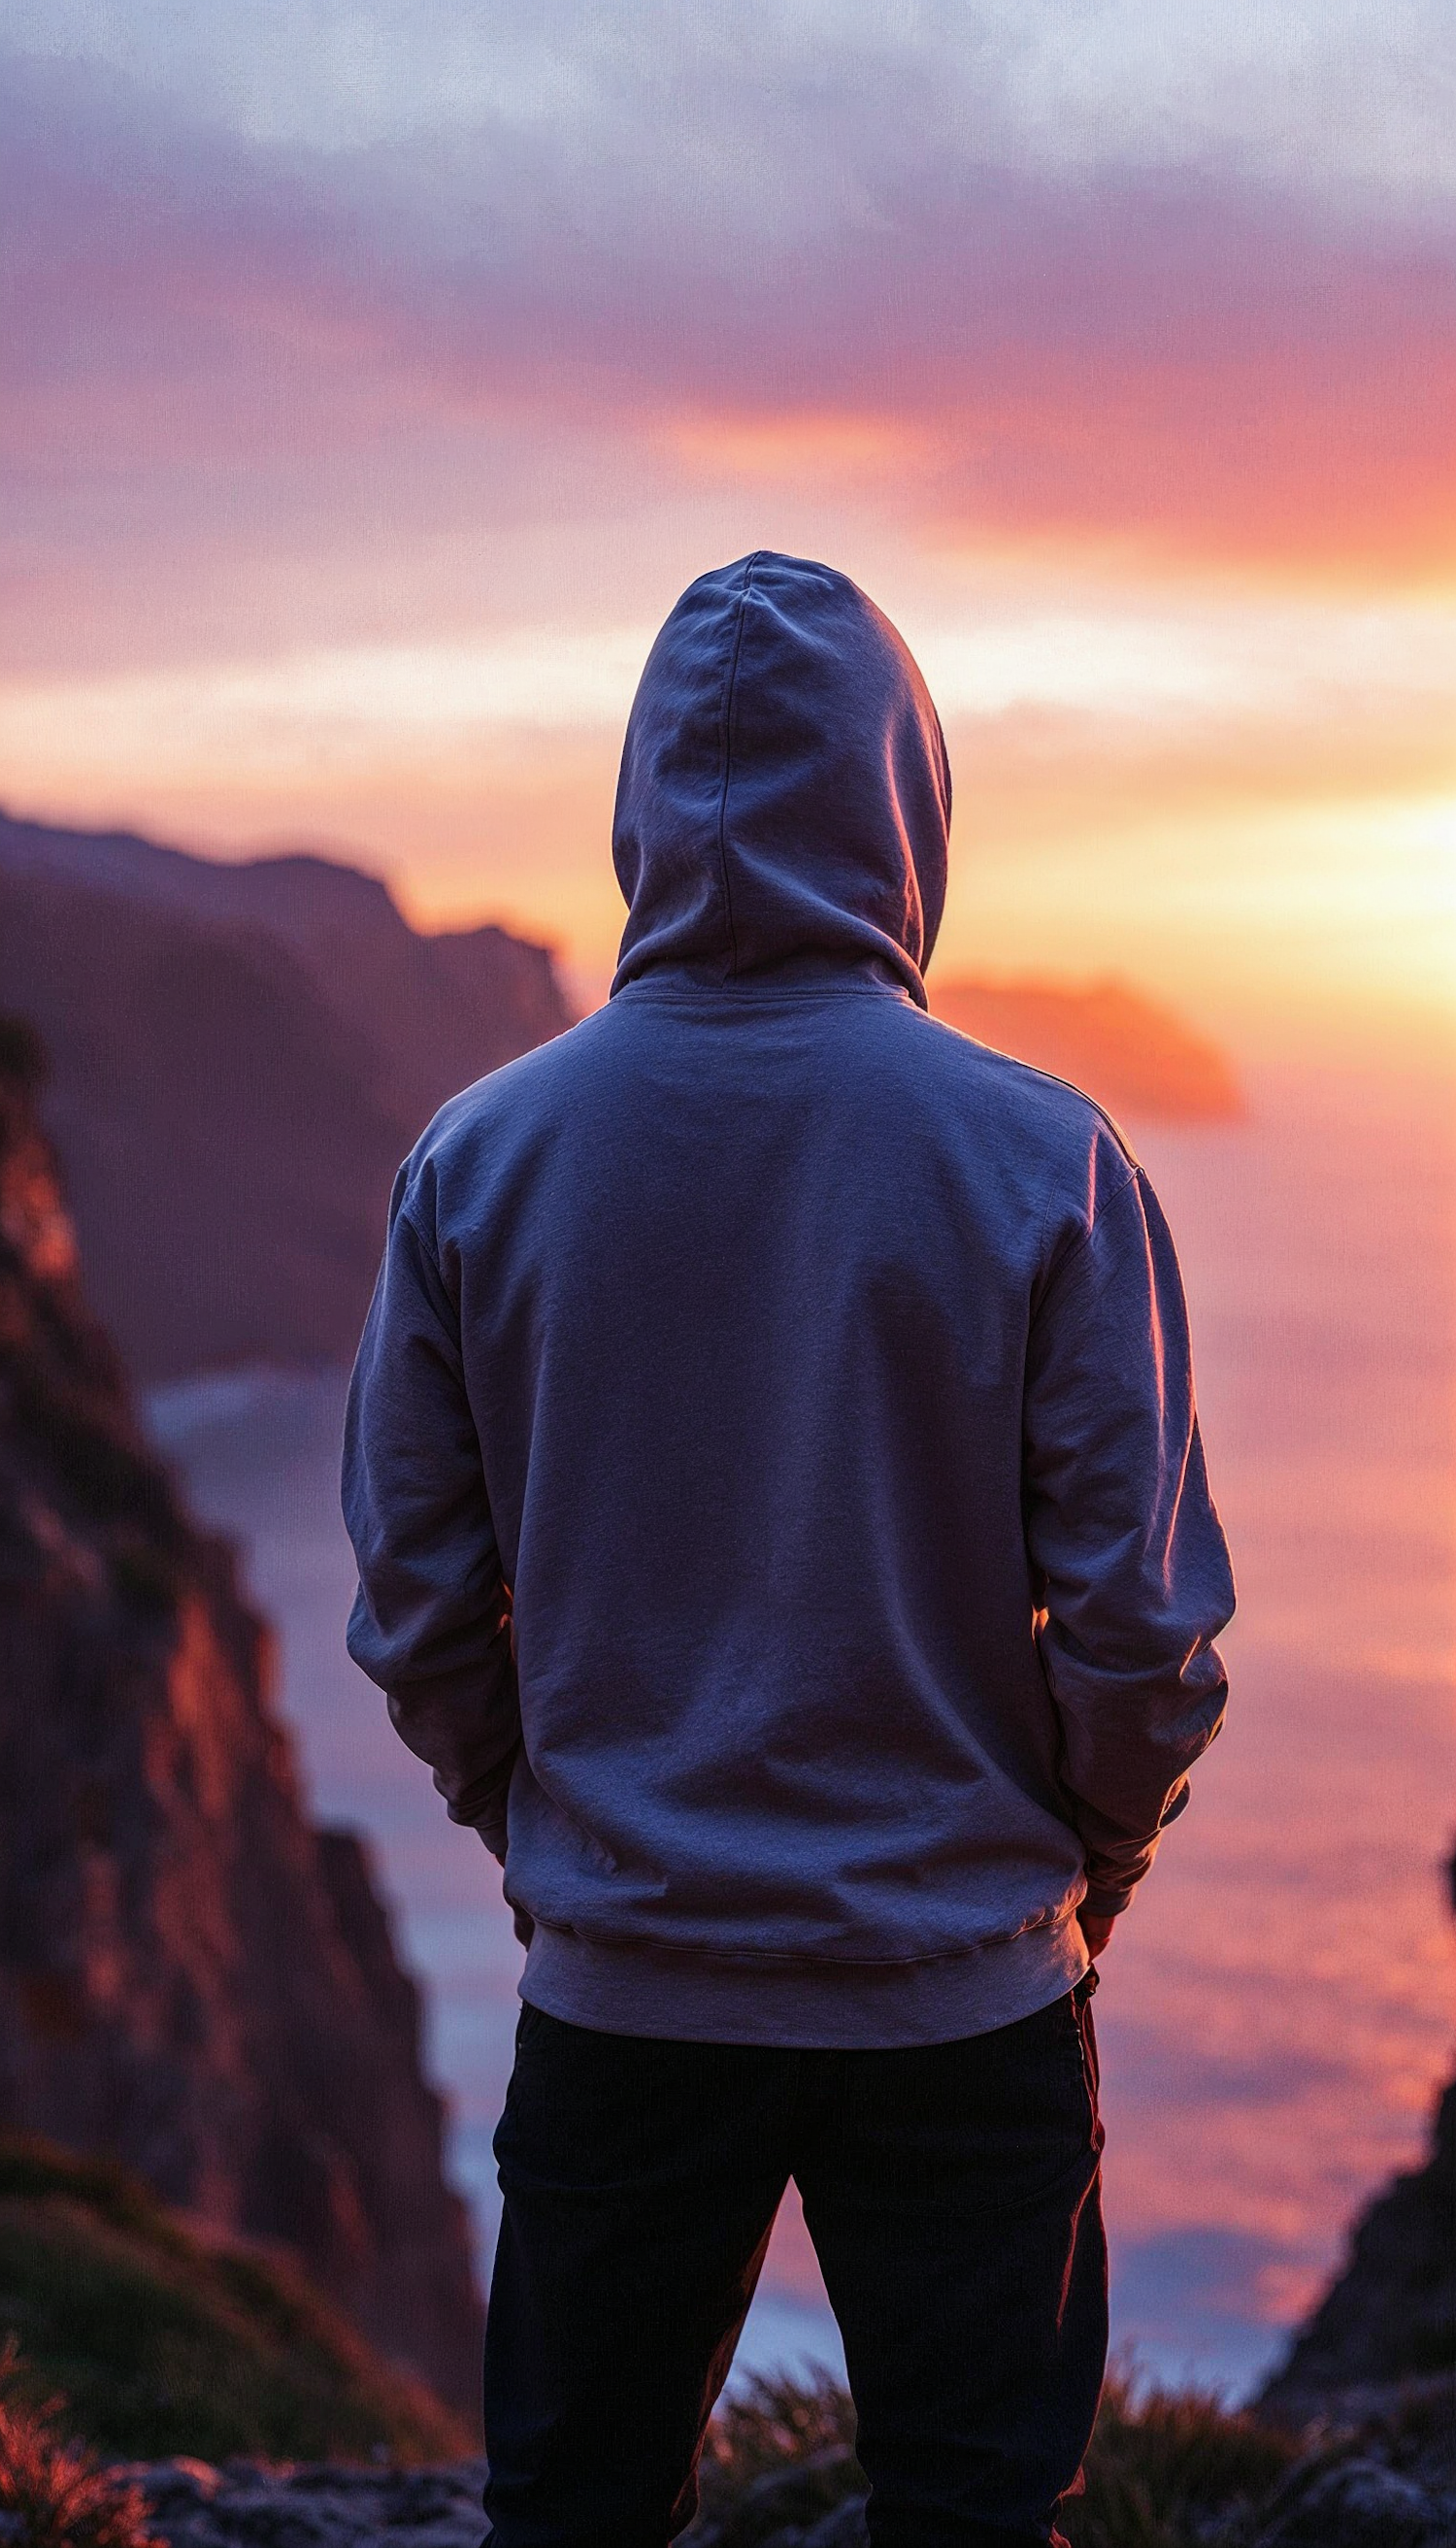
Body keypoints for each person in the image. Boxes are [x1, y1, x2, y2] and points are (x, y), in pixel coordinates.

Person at [342, 551, 1235, 2548]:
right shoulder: (1043, 1158)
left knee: (574, 2514)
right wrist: (1079, 1864)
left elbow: (413, 1595)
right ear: (909, 802)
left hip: (627, 1982)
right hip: (962, 1988)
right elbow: (1143, 1637)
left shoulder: (480, 1160)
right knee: (977, 2511)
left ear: (642, 803)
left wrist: (538, 1816)